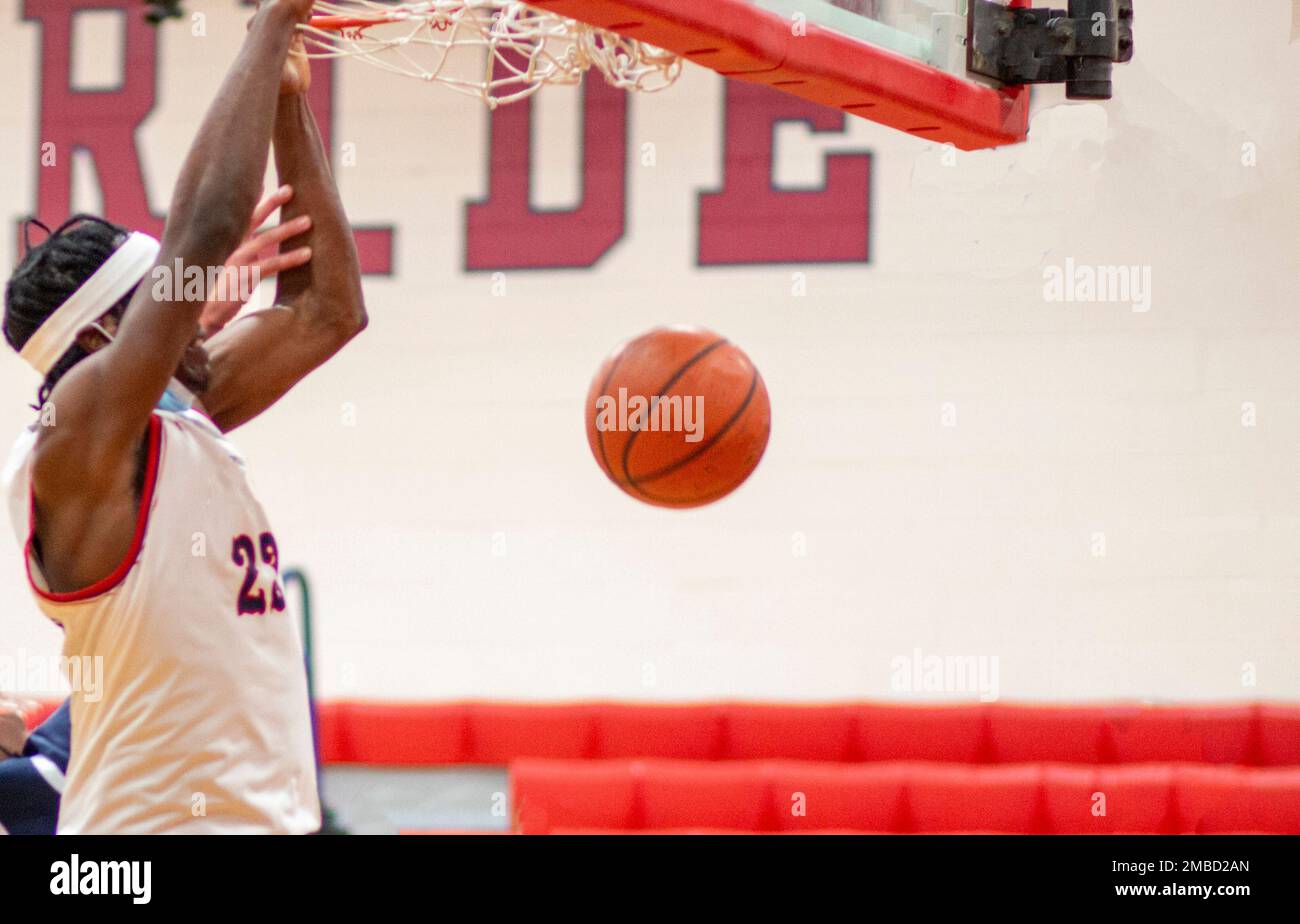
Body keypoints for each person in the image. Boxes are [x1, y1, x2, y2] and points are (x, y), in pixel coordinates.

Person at [0, 0, 365, 833]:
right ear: (101, 337)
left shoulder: (174, 420)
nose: (194, 308)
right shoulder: (74, 439)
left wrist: (285, 95)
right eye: (162, 302)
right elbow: (201, 232)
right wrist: (272, 21)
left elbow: (330, 310)